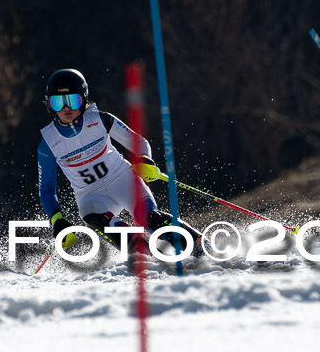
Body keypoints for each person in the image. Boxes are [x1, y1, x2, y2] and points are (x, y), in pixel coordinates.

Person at [37, 68, 203, 256]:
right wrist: (57, 218)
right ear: (49, 105)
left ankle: (198, 246)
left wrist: (144, 160)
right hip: (90, 195)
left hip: (123, 180)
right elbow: (46, 188)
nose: (66, 108)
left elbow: (139, 143)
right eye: (58, 102)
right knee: (92, 216)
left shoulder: (100, 119)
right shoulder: (48, 143)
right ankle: (145, 256)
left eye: (72, 101)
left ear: (84, 100)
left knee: (150, 220)